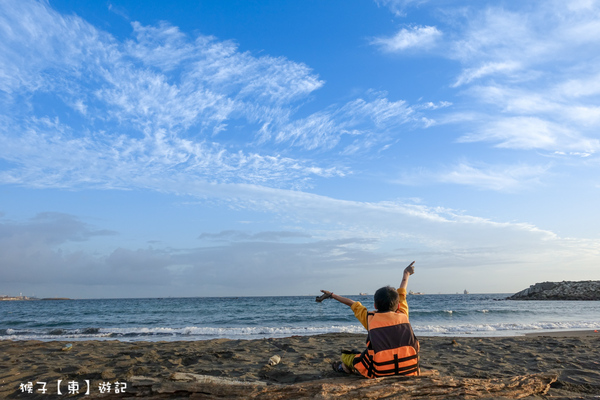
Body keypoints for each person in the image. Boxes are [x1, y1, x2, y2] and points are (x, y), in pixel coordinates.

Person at [319, 262, 420, 378]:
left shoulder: (370, 319)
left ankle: (344, 367)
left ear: (375, 306)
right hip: (410, 371)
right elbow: (402, 290)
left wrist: (332, 295)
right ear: (398, 306)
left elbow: (352, 303)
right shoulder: (403, 314)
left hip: (379, 373)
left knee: (346, 356)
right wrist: (406, 274)